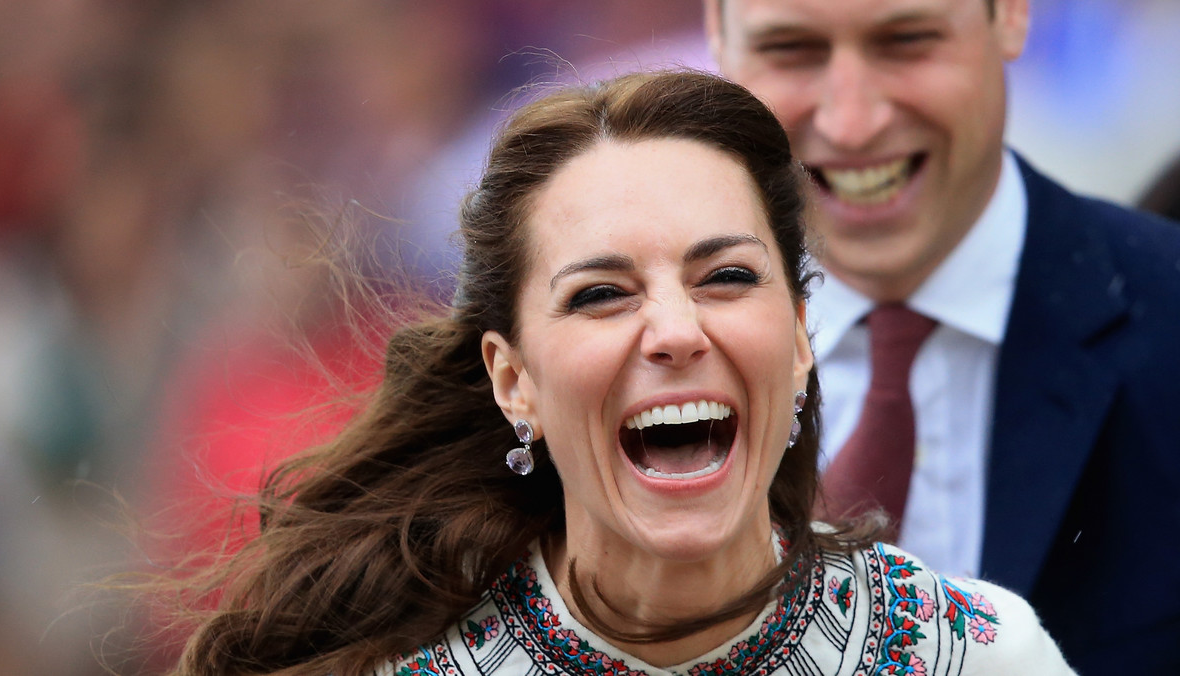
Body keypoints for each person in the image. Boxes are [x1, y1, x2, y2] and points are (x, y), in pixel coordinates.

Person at [163, 71, 1073, 676]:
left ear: (800, 337)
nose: (674, 330)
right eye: (601, 294)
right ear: (511, 379)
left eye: (726, 278)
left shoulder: (980, 655)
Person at [704, 0, 1180, 673]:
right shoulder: (612, 368)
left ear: (1012, 15)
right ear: (716, 37)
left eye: (906, 41)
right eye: (792, 50)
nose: (851, 121)